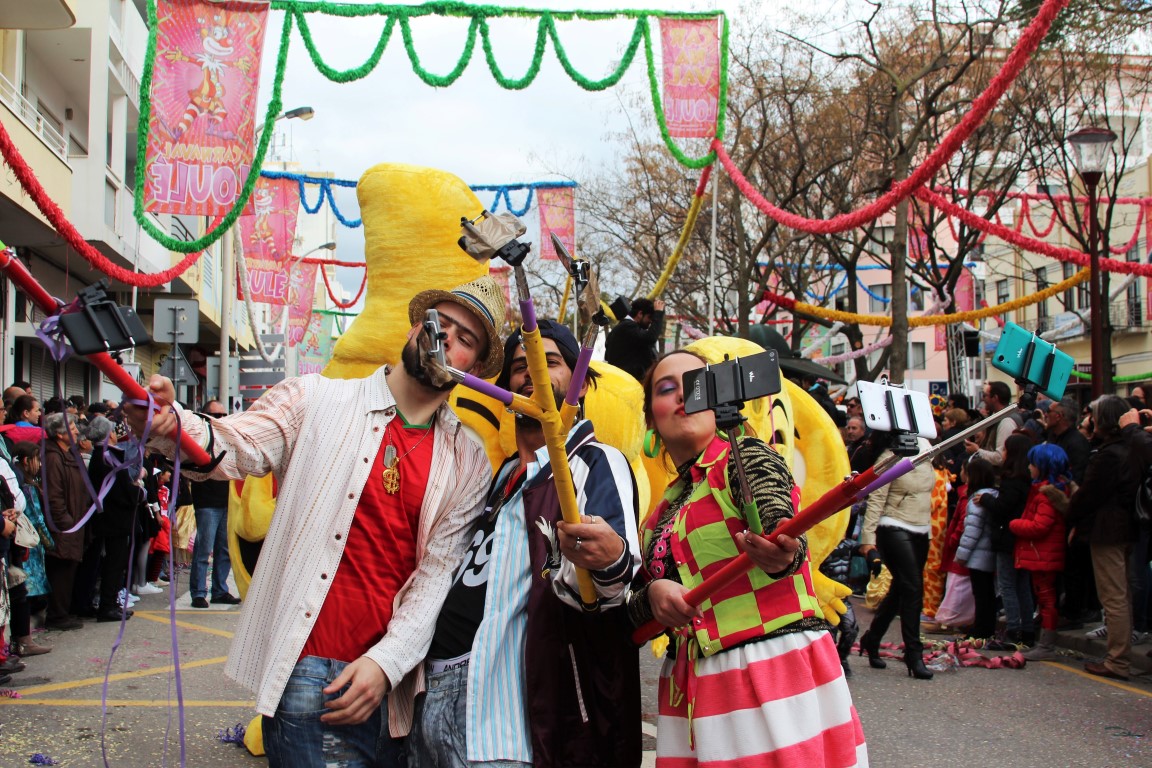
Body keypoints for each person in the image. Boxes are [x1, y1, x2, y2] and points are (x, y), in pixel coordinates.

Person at [125, 276, 506, 768]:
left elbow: (436, 576)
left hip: (391, 692)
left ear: (472, 366)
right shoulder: (315, 399)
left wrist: (384, 665)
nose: (446, 338)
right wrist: (173, 422)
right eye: (439, 323)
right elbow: (236, 445)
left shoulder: (468, 458)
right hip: (307, 671)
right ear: (414, 329)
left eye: (465, 338)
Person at [409, 320, 642, 768]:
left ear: (580, 380)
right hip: (437, 688)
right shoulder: (501, 476)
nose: (530, 371)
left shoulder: (595, 462)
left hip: (503, 710)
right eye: (520, 366)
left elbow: (617, 585)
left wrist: (609, 560)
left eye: (549, 361)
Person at [627, 350, 866, 767]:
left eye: (698, 383)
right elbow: (635, 605)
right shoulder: (658, 513)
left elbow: (778, 517)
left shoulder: (747, 456)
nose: (683, 395)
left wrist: (781, 551)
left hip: (768, 674)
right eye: (667, 389)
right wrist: (654, 596)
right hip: (690, 687)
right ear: (652, 418)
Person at [1066, 396, 1152, 680]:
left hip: (1107, 530)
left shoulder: (1109, 455)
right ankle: (1119, 656)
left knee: (1114, 597)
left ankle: (1117, 660)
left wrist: (1070, 514)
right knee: (1122, 595)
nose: (1089, 420)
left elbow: (1088, 495)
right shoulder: (1133, 449)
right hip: (1127, 527)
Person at [857, 429, 937, 679]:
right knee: (913, 588)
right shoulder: (888, 456)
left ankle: (872, 639)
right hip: (893, 526)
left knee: (900, 591)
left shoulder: (926, 446)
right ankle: (914, 654)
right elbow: (876, 499)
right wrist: (868, 541)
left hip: (921, 527)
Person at [1010, 444, 1071, 661]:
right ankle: (1044, 643)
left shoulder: (1047, 495)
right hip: (1042, 553)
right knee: (1044, 598)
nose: (1029, 467)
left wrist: (1015, 524)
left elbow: (1040, 526)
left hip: (1043, 554)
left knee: (1046, 600)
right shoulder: (1051, 490)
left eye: (1033, 463)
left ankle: (1046, 645)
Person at [981, 434, 1036, 649]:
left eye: (1004, 450)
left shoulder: (1012, 480)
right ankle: (1027, 629)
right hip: (1020, 537)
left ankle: (1013, 630)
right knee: (1022, 584)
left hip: (1008, 536)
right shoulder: (1027, 479)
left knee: (1008, 584)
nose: (1002, 454)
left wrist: (986, 499)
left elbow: (1003, 507)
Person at [188, 399, 239, 608]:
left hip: (227, 501)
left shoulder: (228, 438)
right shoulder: (200, 437)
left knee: (224, 550)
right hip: (207, 502)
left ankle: (220, 590)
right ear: (206, 416)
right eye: (217, 416)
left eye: (224, 415)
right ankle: (199, 593)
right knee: (203, 549)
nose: (221, 419)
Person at [41, 413, 87, 631]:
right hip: (65, 524)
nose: (77, 430)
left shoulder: (69, 453)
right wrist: (66, 522)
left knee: (69, 569)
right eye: (71, 426)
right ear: (60, 434)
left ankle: (63, 612)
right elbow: (54, 495)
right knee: (60, 569)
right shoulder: (53, 457)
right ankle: (57, 615)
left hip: (76, 520)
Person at [954, 457, 999, 641]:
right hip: (988, 552)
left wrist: (961, 556)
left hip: (979, 554)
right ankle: (985, 627)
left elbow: (972, 531)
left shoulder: (977, 500)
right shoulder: (993, 495)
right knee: (987, 593)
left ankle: (981, 629)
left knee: (981, 594)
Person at [604, 297, 665, 381]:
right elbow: (650, 337)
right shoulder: (627, 327)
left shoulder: (623, 329)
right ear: (640, 314)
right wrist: (658, 314)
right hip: (628, 383)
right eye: (650, 317)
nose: (651, 321)